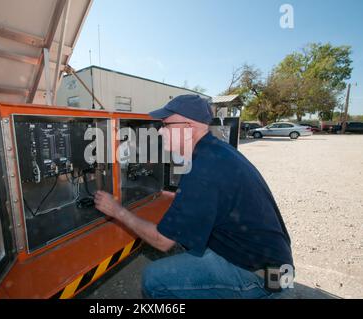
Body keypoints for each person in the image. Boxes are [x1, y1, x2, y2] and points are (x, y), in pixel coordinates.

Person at [94, 94, 293, 299]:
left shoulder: (204, 170)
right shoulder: (216, 151)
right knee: (193, 251)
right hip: (274, 264)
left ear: (187, 128)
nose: (161, 131)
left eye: (166, 124)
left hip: (262, 278)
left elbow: (163, 242)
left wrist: (117, 211)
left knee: (154, 278)